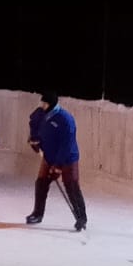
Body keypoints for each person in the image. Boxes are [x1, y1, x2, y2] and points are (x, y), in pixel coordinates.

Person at [25, 91, 87, 231]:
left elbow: (67, 144)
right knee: (41, 183)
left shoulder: (65, 120)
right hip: (48, 156)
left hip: (67, 158)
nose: (41, 105)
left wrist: (58, 165)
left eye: (44, 103)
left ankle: (81, 217)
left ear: (51, 104)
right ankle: (37, 214)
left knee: (71, 186)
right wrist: (35, 140)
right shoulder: (40, 114)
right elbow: (33, 125)